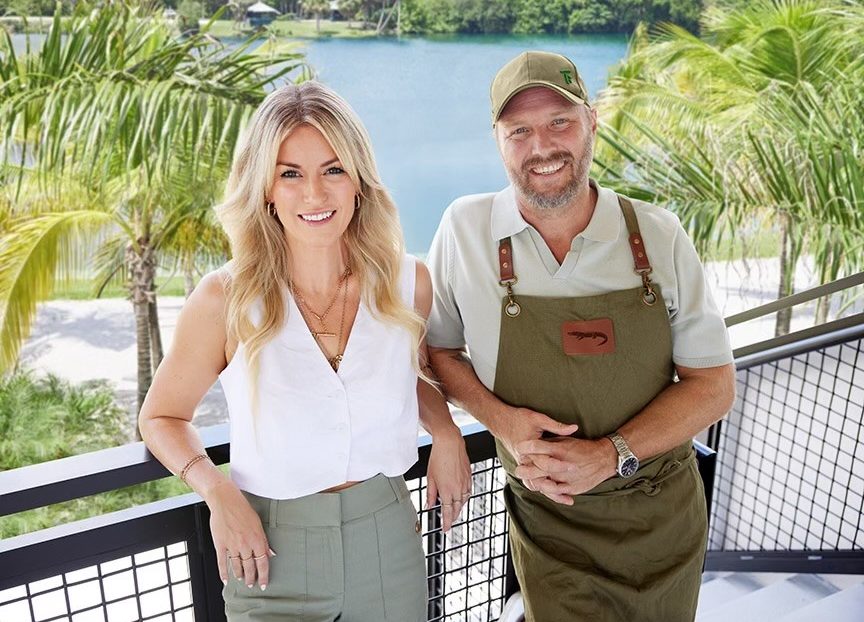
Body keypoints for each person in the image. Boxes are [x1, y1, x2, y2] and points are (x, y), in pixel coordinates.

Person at [139, 81, 472, 622]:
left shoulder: (407, 282)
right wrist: (217, 493)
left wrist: (446, 430)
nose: (314, 195)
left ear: (358, 180)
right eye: (290, 174)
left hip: (386, 539)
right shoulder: (225, 299)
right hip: (268, 550)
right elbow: (160, 417)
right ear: (265, 189)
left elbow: (408, 374)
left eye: (333, 169)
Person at [426, 51, 736, 621]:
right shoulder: (464, 230)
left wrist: (610, 455)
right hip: (549, 523)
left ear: (592, 121)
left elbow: (714, 386)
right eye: (519, 131)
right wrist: (500, 422)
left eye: (560, 122)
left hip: (660, 517)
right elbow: (438, 351)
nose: (542, 147)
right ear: (497, 140)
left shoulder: (658, 235)